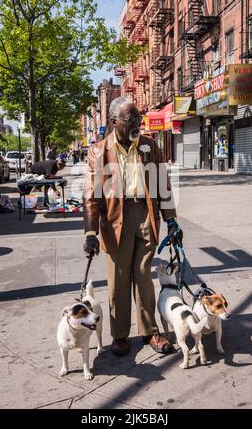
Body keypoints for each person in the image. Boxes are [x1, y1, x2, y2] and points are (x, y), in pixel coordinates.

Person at [83, 96, 183, 357]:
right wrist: (91, 233)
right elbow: (91, 196)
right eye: (131, 119)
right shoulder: (98, 151)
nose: (137, 123)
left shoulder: (149, 145)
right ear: (115, 122)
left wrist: (171, 219)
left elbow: (163, 183)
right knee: (118, 279)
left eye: (138, 118)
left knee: (143, 277)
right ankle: (120, 335)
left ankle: (150, 331)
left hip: (145, 213)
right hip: (115, 218)